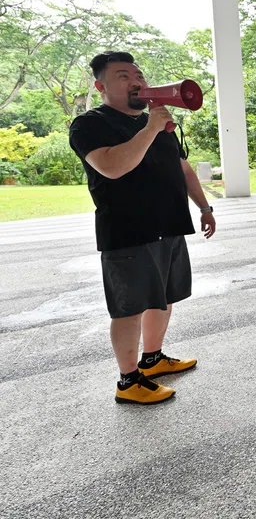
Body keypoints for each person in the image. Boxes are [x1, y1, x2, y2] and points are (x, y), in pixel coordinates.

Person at [68, 52, 215, 405]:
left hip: (169, 225)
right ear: (100, 86)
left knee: (162, 298)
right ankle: (128, 380)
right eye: (123, 76)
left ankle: (152, 359)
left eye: (139, 75)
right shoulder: (90, 124)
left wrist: (205, 207)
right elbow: (111, 167)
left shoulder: (160, 124)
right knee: (129, 307)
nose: (136, 81)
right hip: (128, 231)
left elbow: (184, 169)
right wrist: (150, 128)